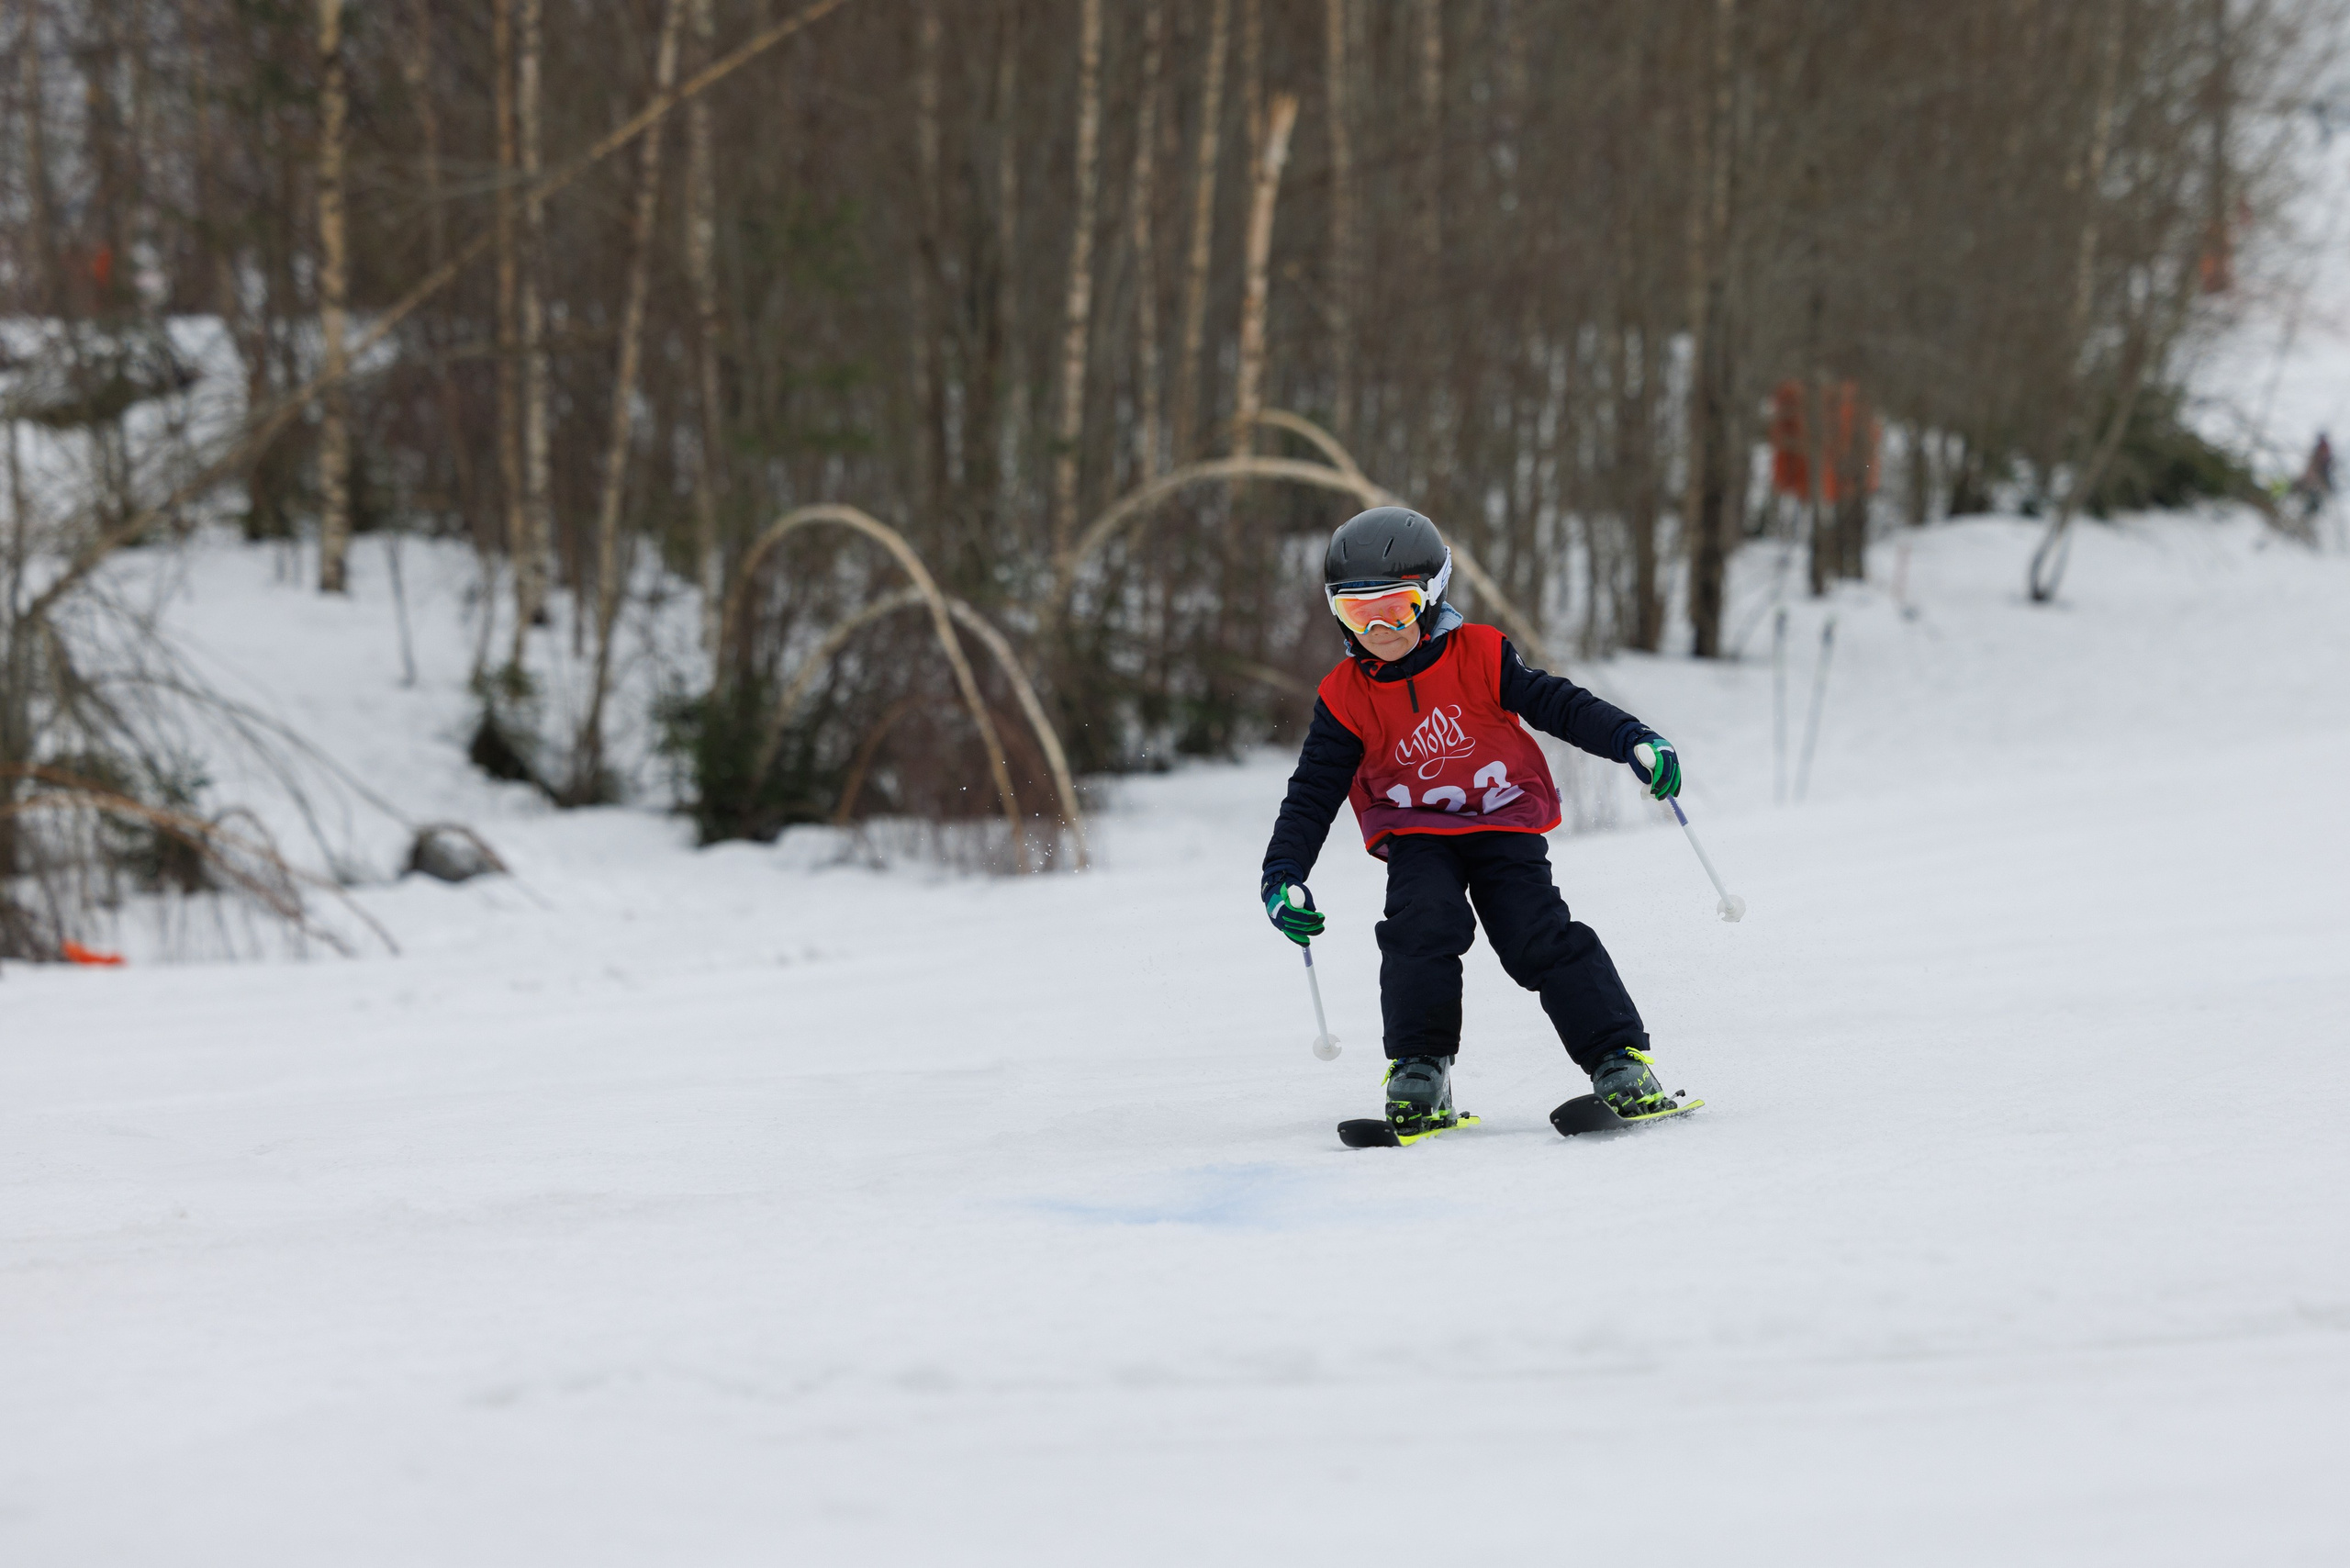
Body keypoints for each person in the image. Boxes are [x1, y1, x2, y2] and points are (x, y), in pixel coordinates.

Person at [1259, 506, 1685, 1140]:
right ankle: (1420, 1068)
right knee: (1419, 928)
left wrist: (1632, 738)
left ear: (1432, 596)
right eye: (1357, 612)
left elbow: (1558, 705)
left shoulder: (1481, 654)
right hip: (1416, 832)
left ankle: (1618, 1060)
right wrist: (1283, 873)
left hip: (1501, 819)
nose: (1379, 629)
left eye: (1396, 608)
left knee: (1537, 935)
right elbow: (1313, 791)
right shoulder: (1345, 697)